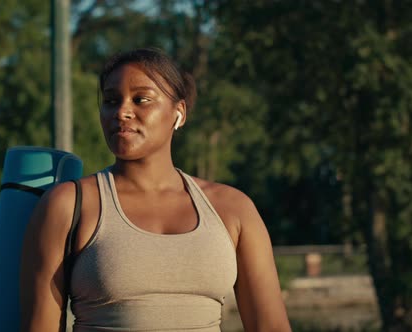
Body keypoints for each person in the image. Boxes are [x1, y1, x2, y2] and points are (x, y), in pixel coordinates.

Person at [20, 48, 291, 331]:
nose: (122, 112)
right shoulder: (69, 205)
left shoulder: (233, 209)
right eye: (111, 101)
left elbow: (271, 326)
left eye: (142, 99)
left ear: (179, 113)